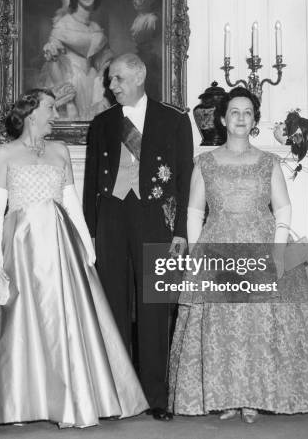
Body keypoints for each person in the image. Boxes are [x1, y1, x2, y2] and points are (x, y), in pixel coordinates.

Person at [0, 88, 148, 428]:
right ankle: (21, 402)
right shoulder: (5, 152)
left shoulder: (59, 150)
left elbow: (71, 202)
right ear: (30, 112)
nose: (56, 113)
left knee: (66, 324)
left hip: (61, 242)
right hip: (22, 245)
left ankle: (74, 400)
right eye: (50, 108)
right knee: (22, 324)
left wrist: (88, 248)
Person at [168, 87, 308, 422]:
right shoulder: (204, 163)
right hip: (218, 244)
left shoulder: (268, 162)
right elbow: (192, 211)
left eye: (247, 112)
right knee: (223, 326)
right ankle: (227, 398)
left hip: (260, 243)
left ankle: (253, 398)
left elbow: (283, 206)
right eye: (234, 112)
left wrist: (277, 249)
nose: (241, 118)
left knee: (258, 324)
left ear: (255, 119)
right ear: (222, 118)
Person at [83, 53, 194, 421]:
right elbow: (89, 183)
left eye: (117, 79)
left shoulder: (174, 120)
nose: (111, 86)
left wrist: (180, 232)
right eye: (110, 80)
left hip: (155, 219)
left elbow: (183, 178)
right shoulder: (102, 122)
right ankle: (118, 393)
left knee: (154, 306)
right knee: (113, 305)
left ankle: (155, 396)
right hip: (111, 217)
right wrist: (90, 232)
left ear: (140, 75)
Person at [41, 0, 113, 121]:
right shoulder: (63, 24)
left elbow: (104, 61)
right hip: (70, 81)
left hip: (92, 84)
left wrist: (100, 79)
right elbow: (52, 60)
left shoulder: (96, 27)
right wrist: (64, 90)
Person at [130, 0, 160, 100]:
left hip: (148, 57)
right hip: (140, 55)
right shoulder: (138, 19)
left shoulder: (152, 20)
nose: (134, 2)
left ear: (146, 0)